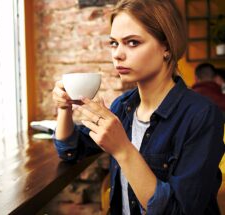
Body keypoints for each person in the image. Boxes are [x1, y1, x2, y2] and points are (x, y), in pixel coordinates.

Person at [52, 0, 224, 214]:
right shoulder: (123, 106)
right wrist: (64, 108)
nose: (117, 54)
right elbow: (70, 150)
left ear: (167, 48)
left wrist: (123, 149)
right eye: (114, 43)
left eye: (132, 42)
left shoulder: (202, 115)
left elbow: (179, 210)